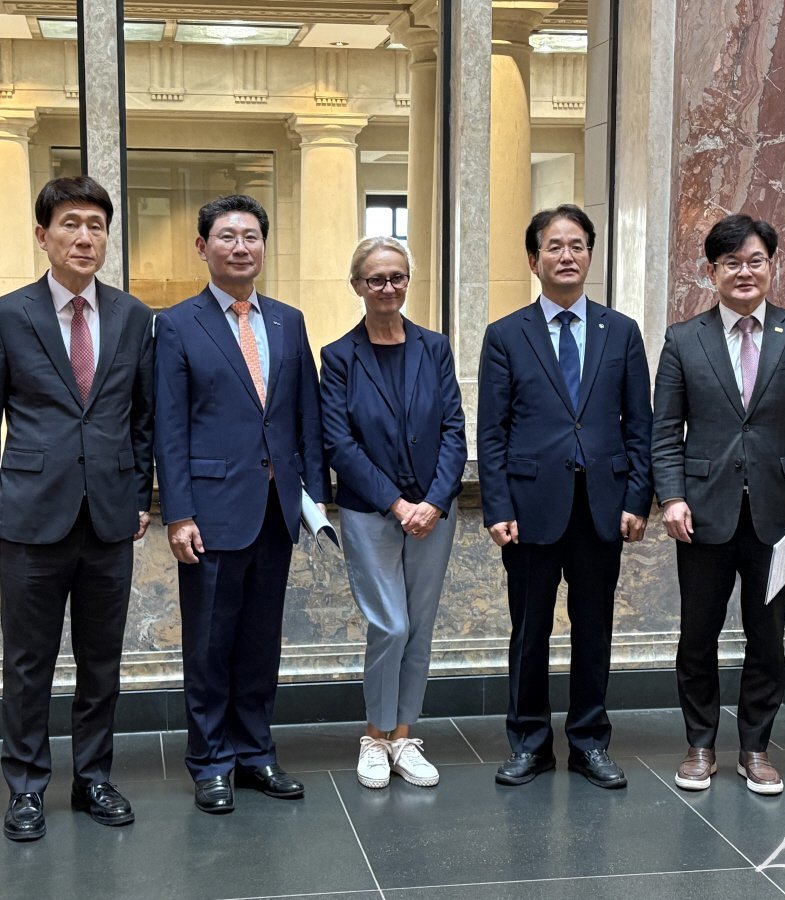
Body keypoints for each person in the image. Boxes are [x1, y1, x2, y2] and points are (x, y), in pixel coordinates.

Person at [0, 175, 155, 841]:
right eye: (70, 224)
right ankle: (25, 785)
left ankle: (94, 777)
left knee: (102, 660)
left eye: (96, 225)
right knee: (29, 662)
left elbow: (141, 417)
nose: (84, 237)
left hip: (109, 514)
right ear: (43, 236)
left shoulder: (134, 316)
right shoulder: (5, 316)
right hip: (29, 513)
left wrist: (139, 494)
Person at [154, 194, 331, 815]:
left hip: (276, 509)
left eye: (251, 236)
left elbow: (306, 415)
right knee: (209, 645)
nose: (240, 247)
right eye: (227, 237)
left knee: (260, 643)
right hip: (209, 512)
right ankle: (210, 762)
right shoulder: (176, 324)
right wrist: (178, 512)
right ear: (202, 247)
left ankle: (256, 753)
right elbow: (169, 427)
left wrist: (315, 497)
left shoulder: (288, 321)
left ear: (264, 246)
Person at [652, 213, 785, 796]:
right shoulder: (684, 339)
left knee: (767, 636)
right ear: (712, 271)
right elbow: (665, 432)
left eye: (755, 260)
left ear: (771, 266)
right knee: (697, 636)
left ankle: (755, 747)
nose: (744, 272)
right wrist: (672, 496)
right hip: (702, 513)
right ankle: (700, 745)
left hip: (777, 515)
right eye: (731, 262)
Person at [477, 204, 653, 789]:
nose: (567, 255)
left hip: (602, 506)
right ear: (534, 260)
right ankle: (529, 742)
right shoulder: (506, 335)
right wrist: (497, 507)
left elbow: (640, 425)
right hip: (530, 508)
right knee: (529, 630)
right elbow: (492, 431)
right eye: (554, 246)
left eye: (577, 245)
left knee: (594, 629)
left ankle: (589, 742)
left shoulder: (621, 331)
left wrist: (638, 499)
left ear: (590, 256)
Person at [320, 237, 467, 790]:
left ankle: (403, 736)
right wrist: (398, 503)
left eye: (397, 277)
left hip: (433, 513)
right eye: (376, 279)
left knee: (420, 628)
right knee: (391, 624)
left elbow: (453, 429)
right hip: (371, 512)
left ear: (408, 281)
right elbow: (339, 443)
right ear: (357, 285)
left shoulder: (435, 347)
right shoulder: (339, 356)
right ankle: (374, 736)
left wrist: (434, 501)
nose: (388, 287)